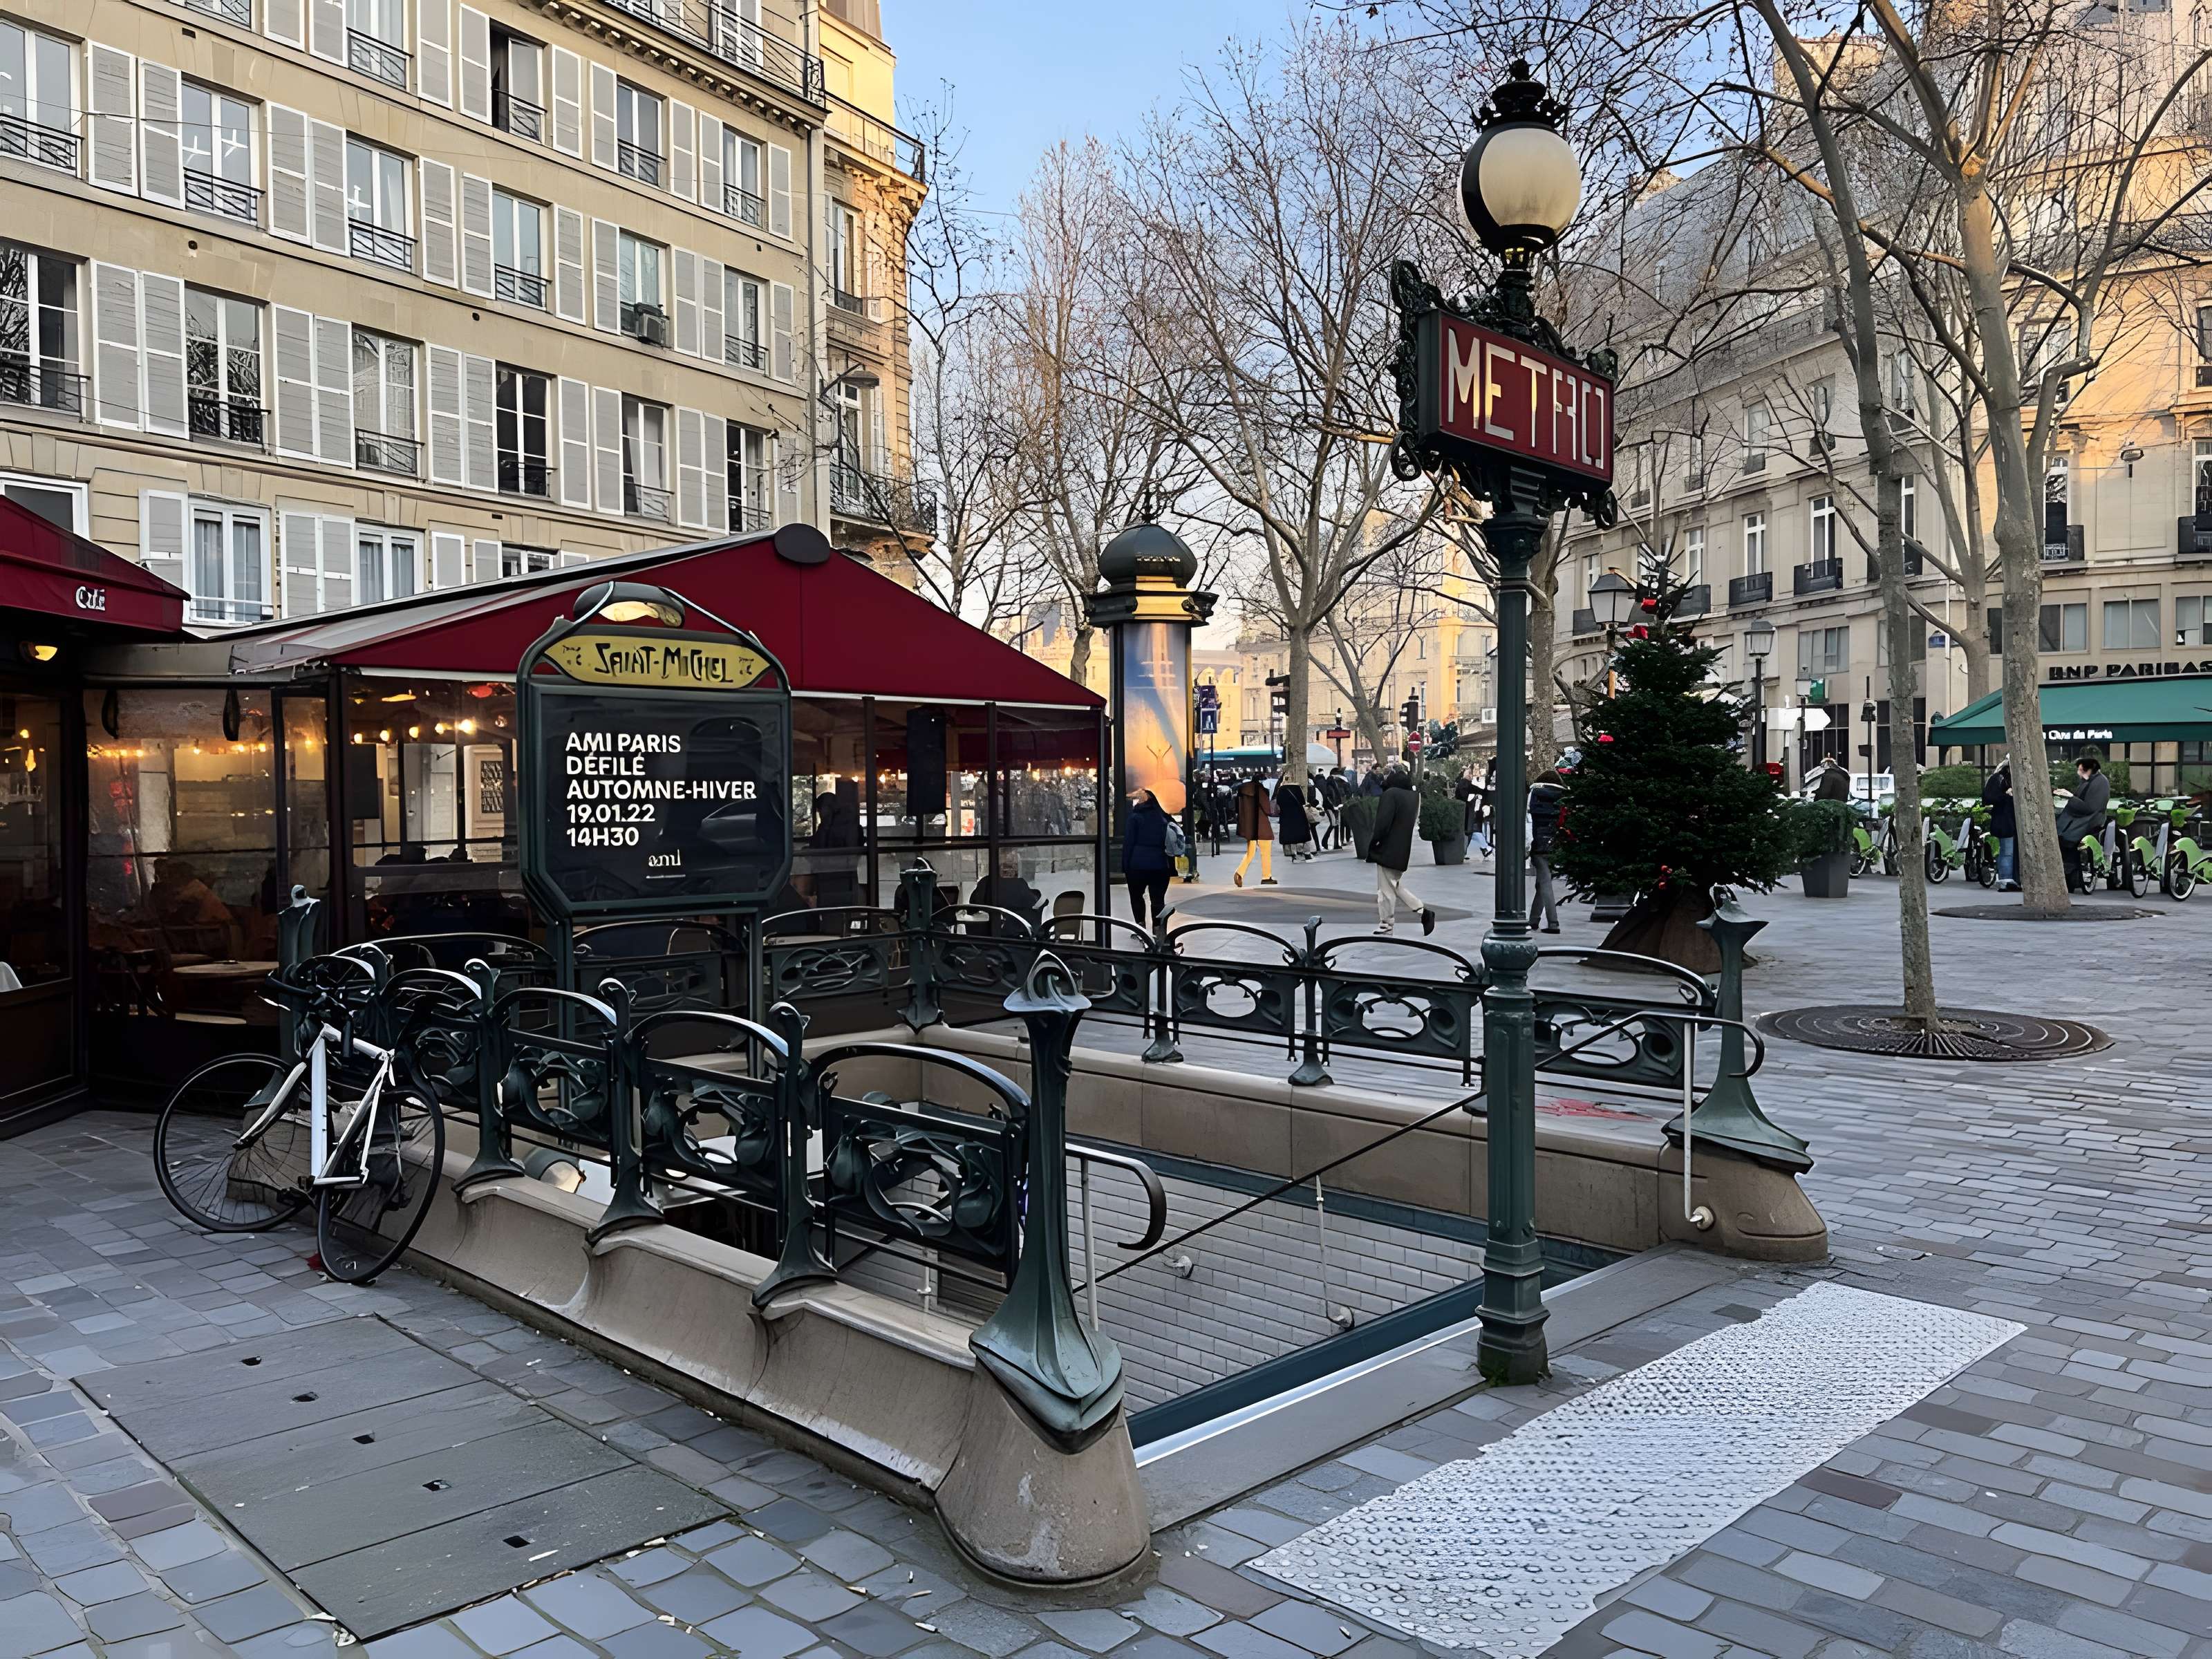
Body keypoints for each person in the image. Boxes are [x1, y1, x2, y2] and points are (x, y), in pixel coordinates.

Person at [1369, 767, 1436, 935]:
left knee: (1386, 889)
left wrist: (1374, 841)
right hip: (1402, 847)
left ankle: (1386, 924)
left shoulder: (1391, 795)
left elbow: (1382, 824)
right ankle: (1422, 911)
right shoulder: (1414, 797)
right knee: (1394, 885)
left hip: (1387, 847)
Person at [2056, 753, 2110, 892]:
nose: (2078, 773)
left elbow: (2090, 808)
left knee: (2069, 841)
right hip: (2081, 820)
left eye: (2081, 770)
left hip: (2089, 822)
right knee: (2063, 839)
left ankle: (2071, 877)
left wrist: (2070, 797)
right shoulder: (2090, 782)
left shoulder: (2100, 783)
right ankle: (2070, 875)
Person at [1123, 789, 1175, 928]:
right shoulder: (1163, 818)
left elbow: (1128, 843)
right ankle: (1158, 929)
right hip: (1160, 865)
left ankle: (1141, 927)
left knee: (1136, 897)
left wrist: (1126, 866)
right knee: (1158, 900)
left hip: (1137, 865)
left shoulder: (1135, 818)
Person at [1528, 768, 1567, 933]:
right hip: (1556, 842)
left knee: (1545, 882)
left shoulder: (1534, 794)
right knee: (1542, 883)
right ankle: (1534, 920)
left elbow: (1528, 819)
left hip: (1538, 842)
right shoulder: (1563, 796)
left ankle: (1553, 923)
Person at [972, 850, 1045, 935]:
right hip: (1013, 937)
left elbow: (974, 902)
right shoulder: (1019, 884)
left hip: (986, 937)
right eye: (1006, 866)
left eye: (1011, 866)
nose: (1009, 870)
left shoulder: (985, 882)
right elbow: (1031, 901)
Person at [1981, 760, 2018, 891]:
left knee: (2006, 851)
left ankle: (2006, 879)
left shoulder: (1997, 779)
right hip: (2006, 822)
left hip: (2003, 821)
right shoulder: (2001, 780)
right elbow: (1992, 798)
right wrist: (2008, 796)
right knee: (2007, 852)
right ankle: (2006, 880)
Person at [1232, 775, 1276, 886]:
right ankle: (1266, 877)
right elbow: (1267, 809)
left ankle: (1239, 873)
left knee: (1250, 853)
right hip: (1261, 825)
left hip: (1250, 826)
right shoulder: (1259, 790)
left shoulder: (1242, 791)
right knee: (1265, 851)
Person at [1275, 778, 1315, 862]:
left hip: (1286, 815)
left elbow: (1278, 802)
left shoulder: (1281, 789)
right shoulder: (1297, 788)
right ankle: (1303, 852)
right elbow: (1302, 801)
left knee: (1290, 834)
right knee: (1301, 833)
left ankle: (1293, 853)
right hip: (1298, 814)